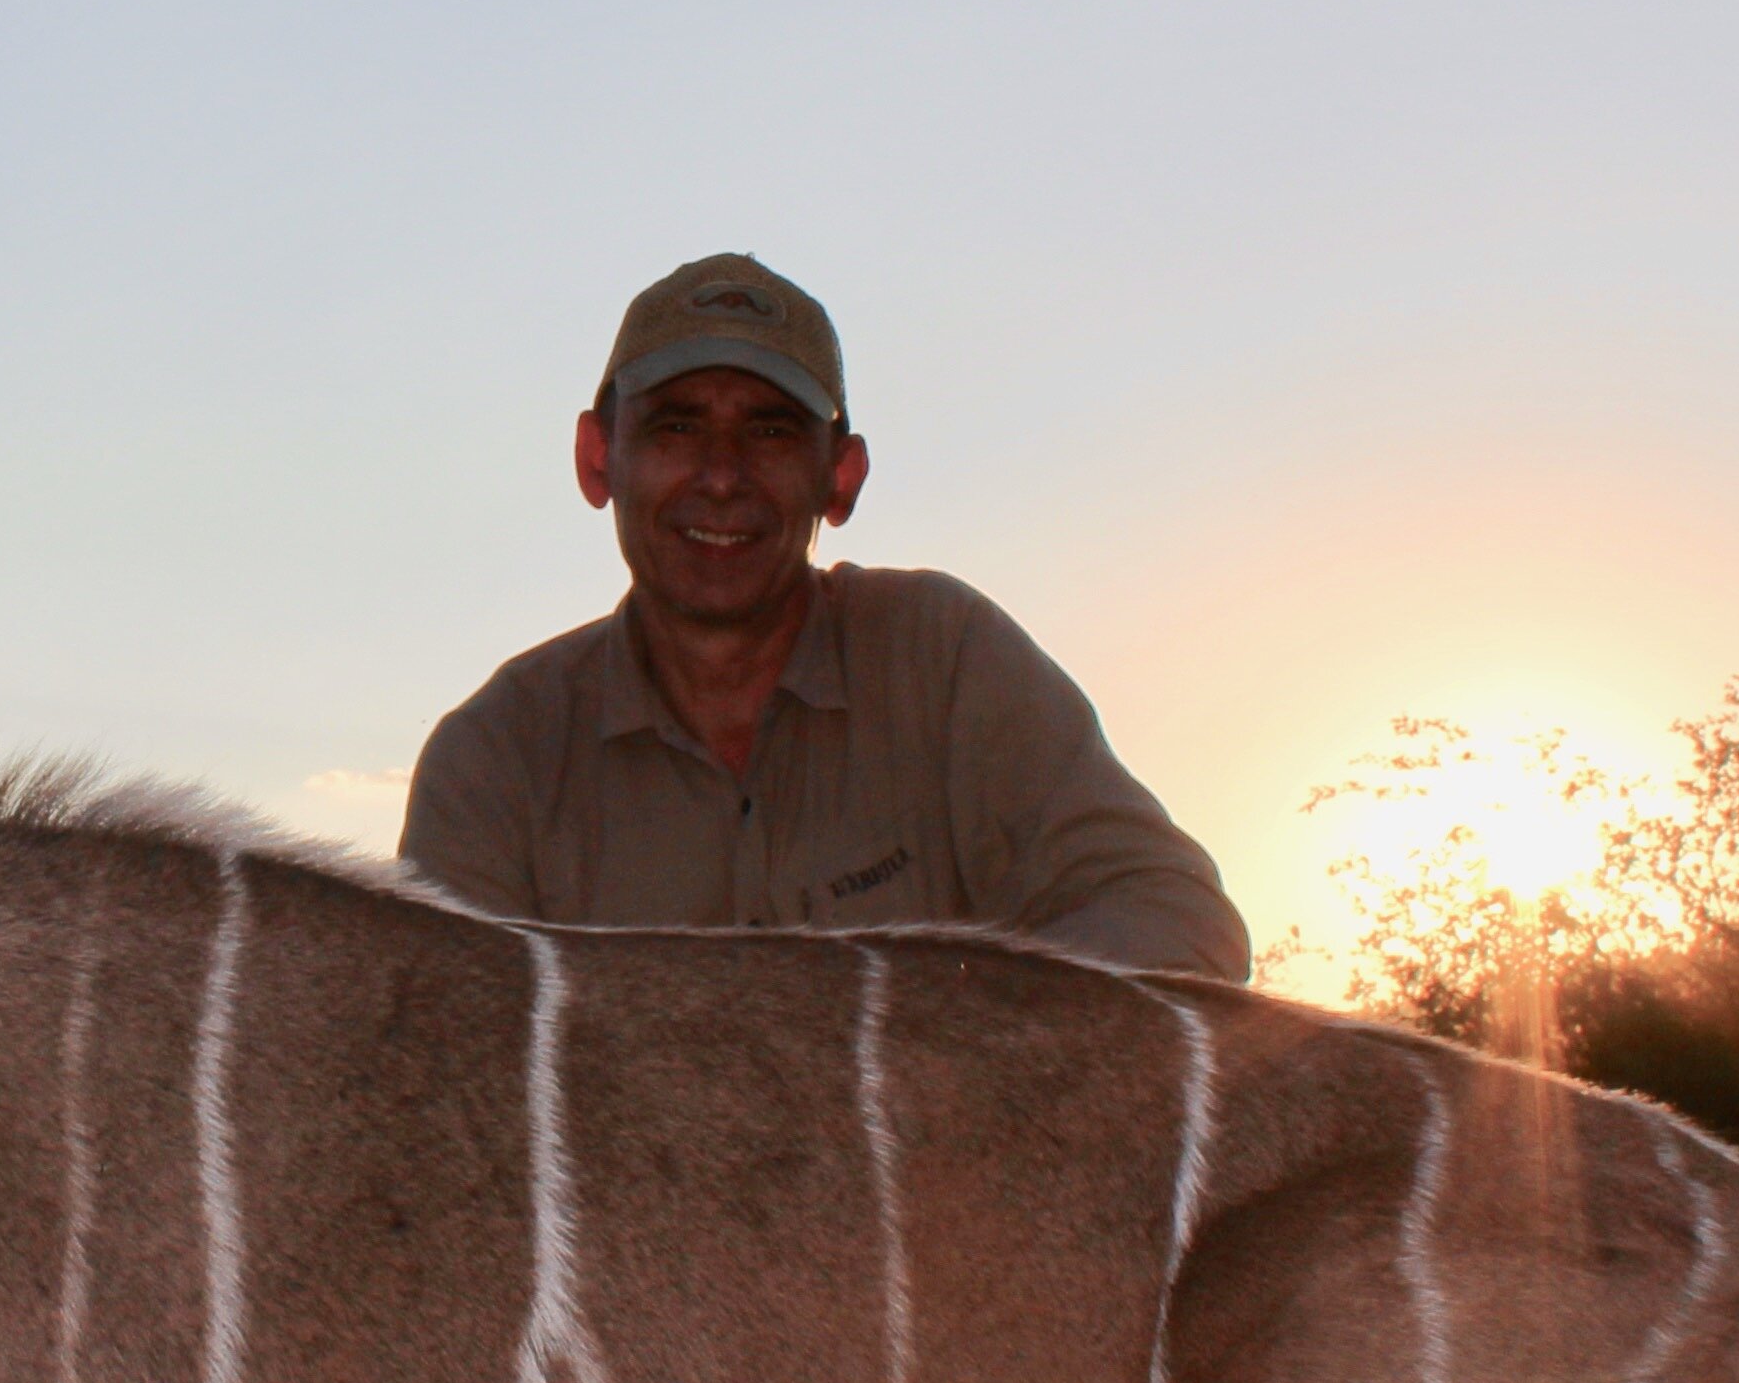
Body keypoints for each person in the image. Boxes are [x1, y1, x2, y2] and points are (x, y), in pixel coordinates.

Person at [398, 253, 1247, 976]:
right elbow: (444, 1067)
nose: (722, 474)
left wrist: (920, 1057)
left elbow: (1177, 920)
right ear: (597, 460)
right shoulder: (495, 760)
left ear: (840, 477)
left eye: (769, 432)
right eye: (677, 426)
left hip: (942, 1159)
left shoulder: (940, 654)